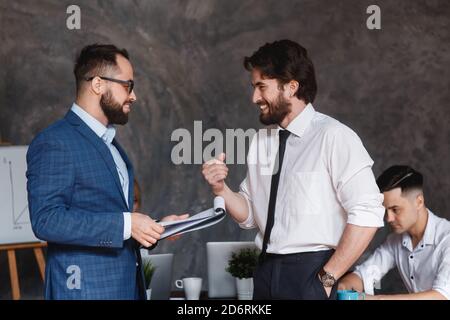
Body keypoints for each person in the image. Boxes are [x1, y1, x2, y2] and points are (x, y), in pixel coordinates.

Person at [202, 39, 385, 299]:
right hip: (265, 271)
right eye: (253, 87)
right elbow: (251, 215)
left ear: (291, 87)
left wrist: (327, 278)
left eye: (261, 87)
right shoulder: (260, 141)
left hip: (314, 273)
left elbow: (368, 213)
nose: (254, 97)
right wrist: (221, 189)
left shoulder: (334, 137)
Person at [26, 44, 187, 300]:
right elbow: (47, 220)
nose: (133, 96)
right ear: (98, 84)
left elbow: (111, 220)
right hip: (84, 291)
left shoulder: (111, 144)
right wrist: (127, 224)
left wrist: (154, 228)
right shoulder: (55, 142)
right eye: (128, 86)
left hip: (125, 288)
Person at [338, 165, 450, 300]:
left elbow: (442, 295)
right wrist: (344, 287)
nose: (388, 218)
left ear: (419, 202)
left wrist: (374, 299)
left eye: (395, 209)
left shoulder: (446, 239)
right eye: (385, 211)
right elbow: (366, 274)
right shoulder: (395, 241)